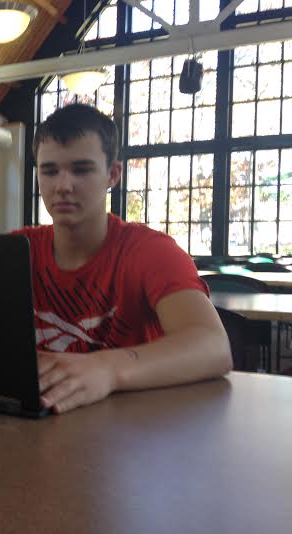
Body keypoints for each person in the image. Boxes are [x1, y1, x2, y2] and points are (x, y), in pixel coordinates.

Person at [14, 104, 232, 414]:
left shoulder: (150, 251)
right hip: (34, 427)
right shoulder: (15, 250)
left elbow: (214, 347)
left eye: (81, 169)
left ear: (112, 174)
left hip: (132, 432)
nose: (63, 186)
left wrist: (107, 369)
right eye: (49, 171)